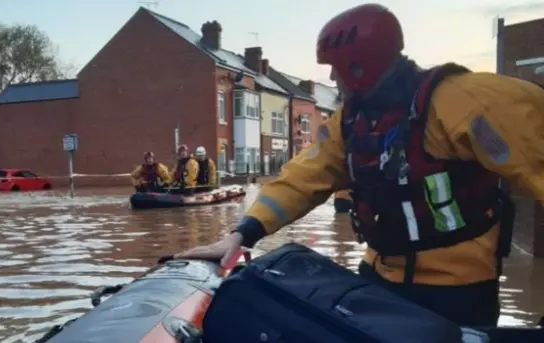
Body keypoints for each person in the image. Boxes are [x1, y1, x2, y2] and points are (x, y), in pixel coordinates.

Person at [175, 3, 544, 328]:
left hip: (459, 290)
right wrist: (240, 234)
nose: (333, 79)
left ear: (359, 66)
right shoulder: (349, 124)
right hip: (379, 280)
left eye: (336, 70)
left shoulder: (464, 101)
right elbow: (301, 181)